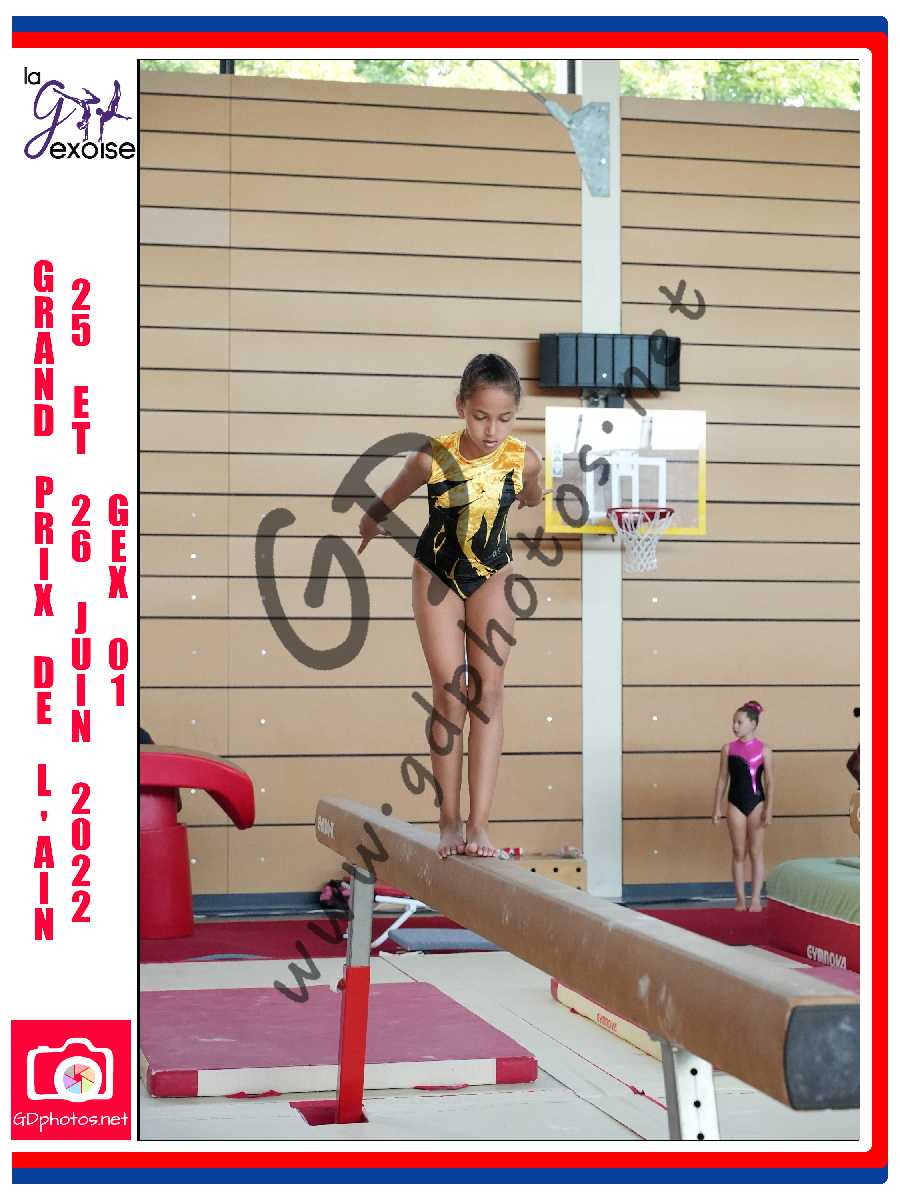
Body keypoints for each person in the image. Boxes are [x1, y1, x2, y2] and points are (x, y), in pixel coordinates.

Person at [357, 353, 548, 859]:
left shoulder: (524, 459)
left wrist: (535, 493)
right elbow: (390, 497)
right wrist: (369, 523)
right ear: (461, 406)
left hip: (492, 574)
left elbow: (533, 495)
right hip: (437, 574)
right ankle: (448, 822)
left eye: (504, 418)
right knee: (451, 694)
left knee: (489, 693)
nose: (492, 430)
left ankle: (478, 826)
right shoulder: (432, 457)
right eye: (481, 416)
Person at [712, 700, 774, 912]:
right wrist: (717, 807)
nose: (734, 726)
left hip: (757, 803)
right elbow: (722, 779)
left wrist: (769, 808)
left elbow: (770, 782)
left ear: (753, 724)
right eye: (733, 722)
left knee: (756, 851)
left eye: (739, 722)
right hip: (735, 803)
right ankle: (740, 899)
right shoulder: (727, 749)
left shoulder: (765, 750)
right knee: (739, 852)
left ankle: (755, 898)